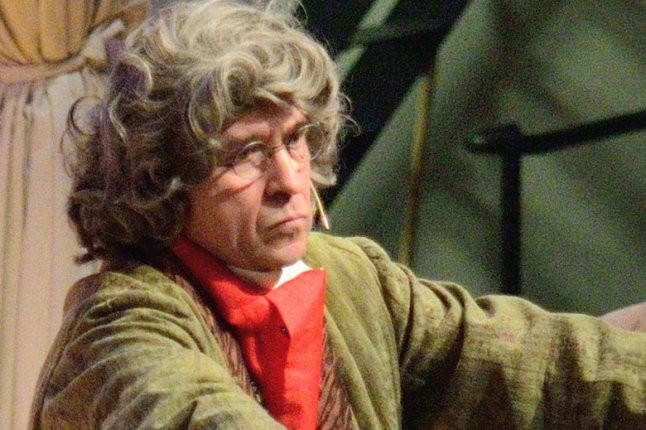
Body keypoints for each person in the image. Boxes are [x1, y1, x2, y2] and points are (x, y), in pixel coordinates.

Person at [30, 1, 645, 429]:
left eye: (295, 139)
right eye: (246, 154)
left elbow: (536, 364)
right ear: (164, 180)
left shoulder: (352, 279)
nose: (289, 181)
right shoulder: (119, 332)